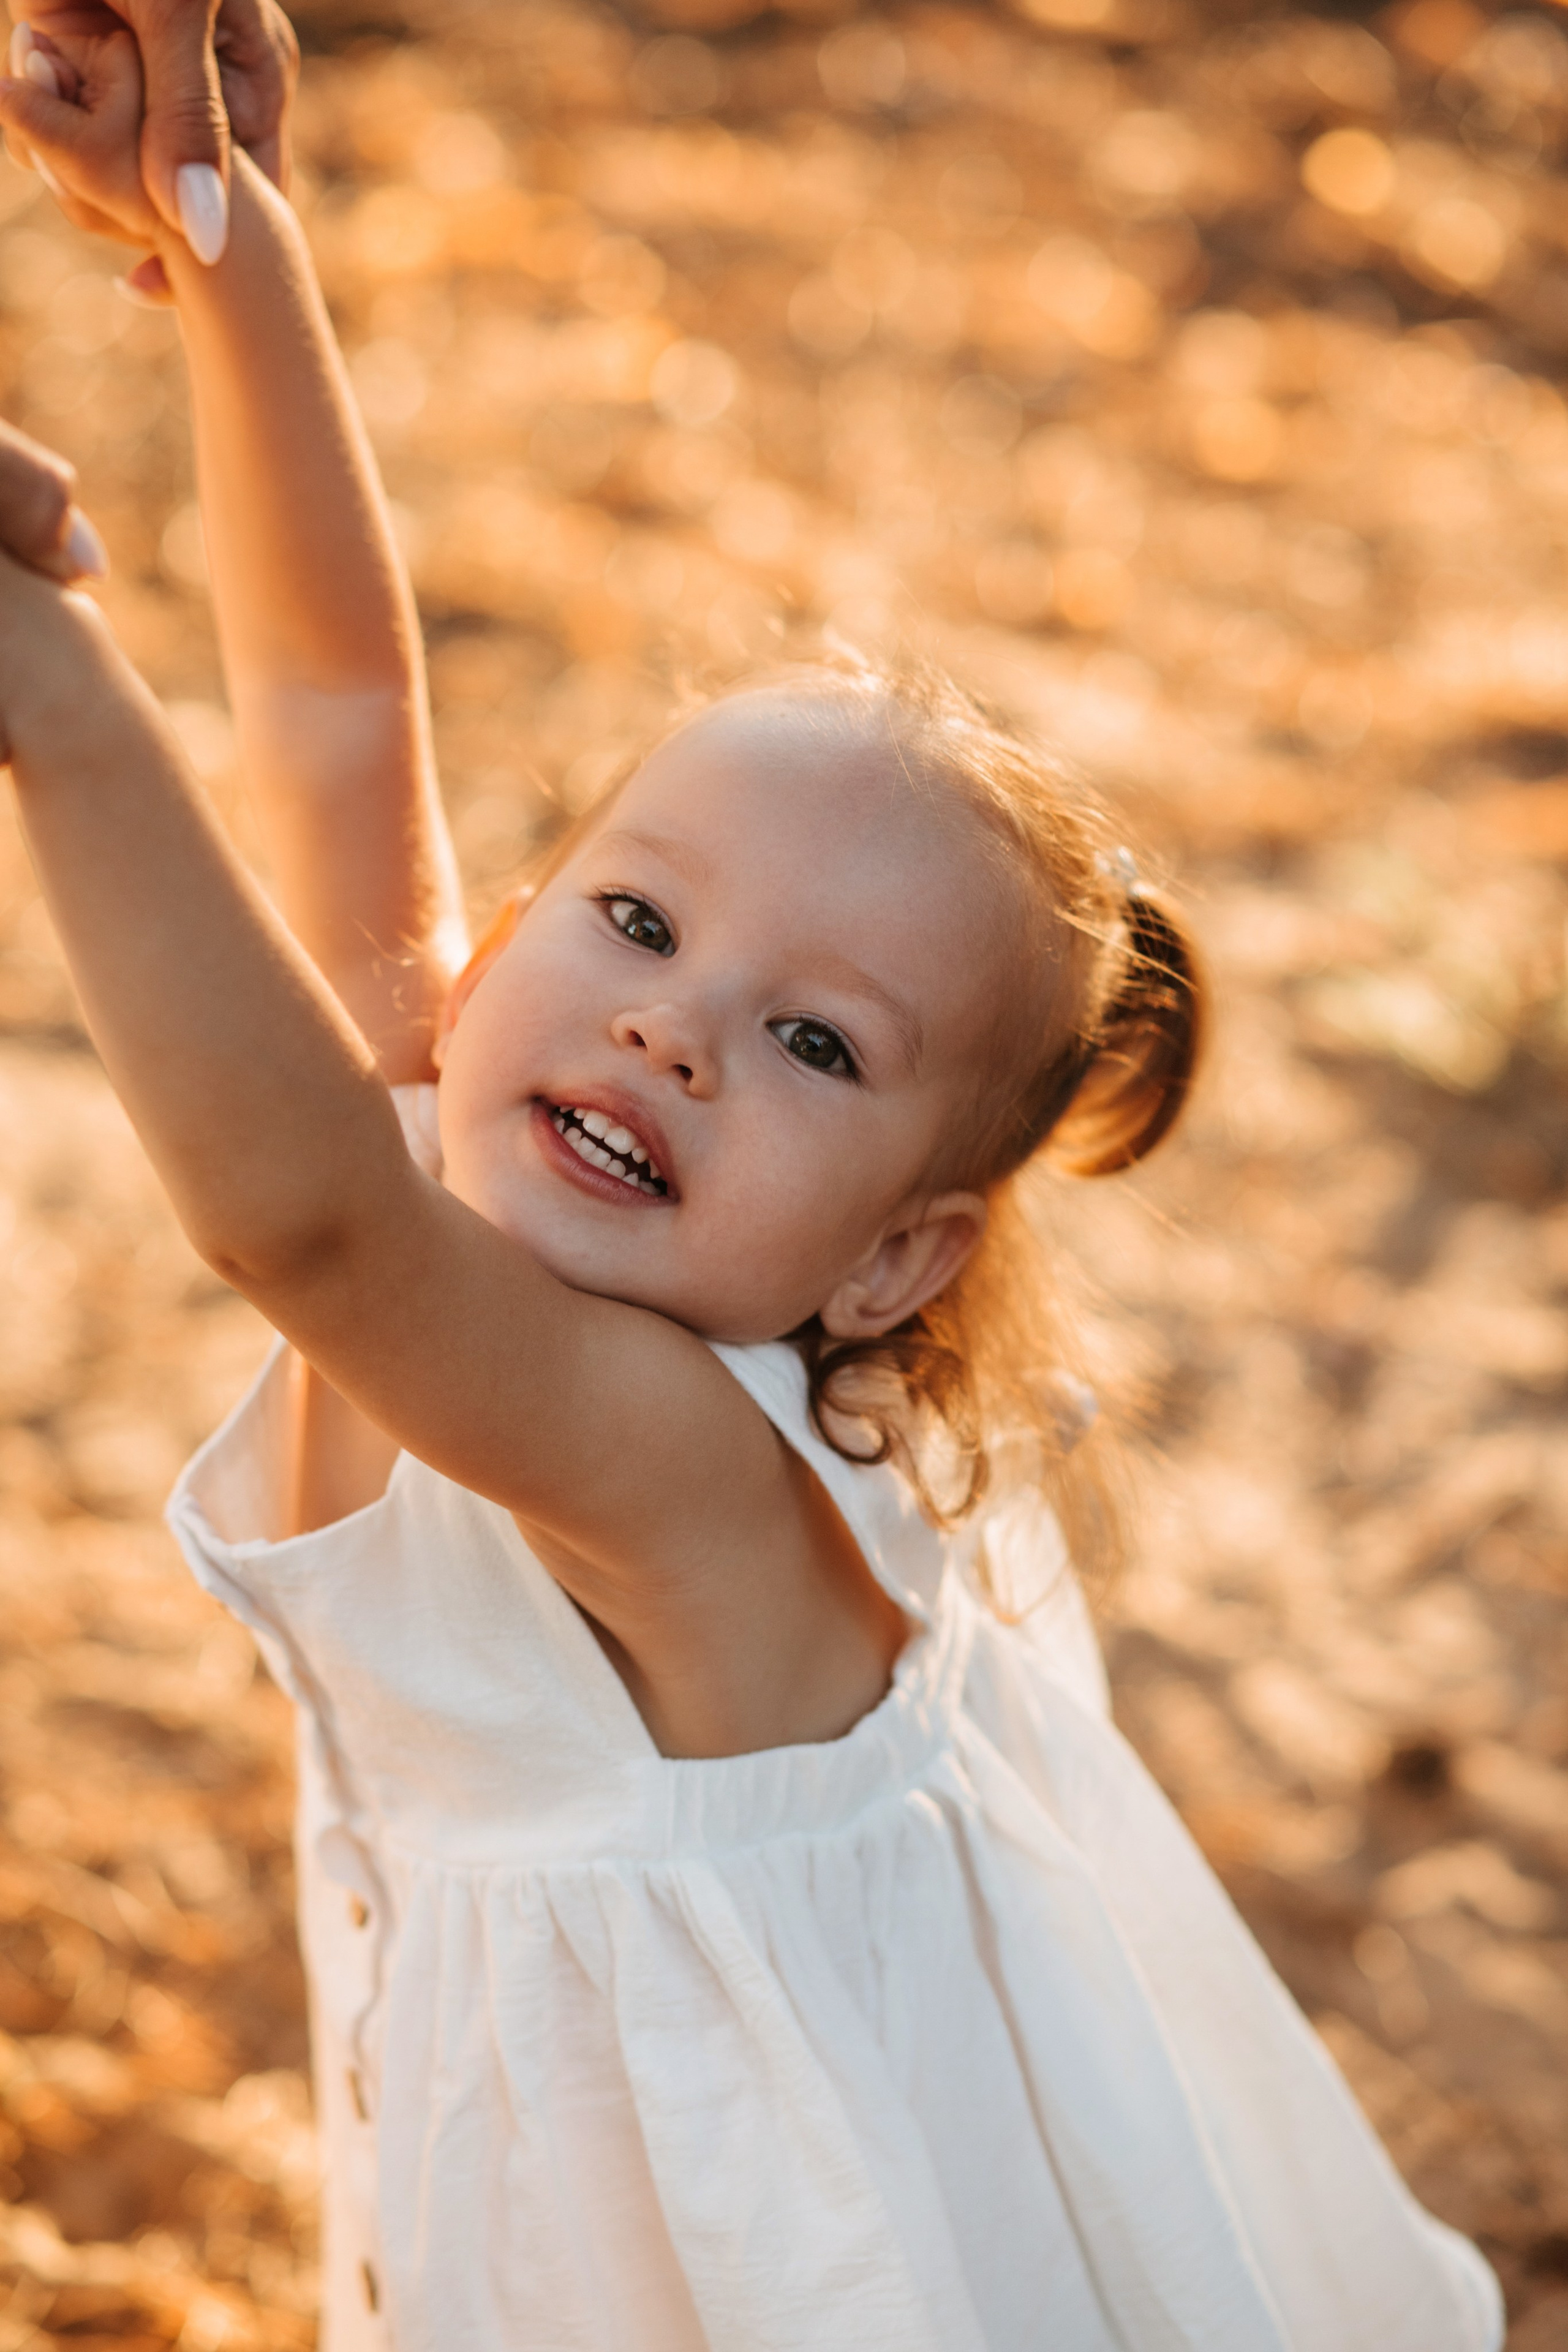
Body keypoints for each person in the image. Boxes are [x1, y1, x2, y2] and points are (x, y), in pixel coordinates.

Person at [0, 27, 1505, 2352]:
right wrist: (228, 254)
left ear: (904, 1253)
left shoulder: (682, 1472)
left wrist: (55, 689)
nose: (671, 1026)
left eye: (816, 1045)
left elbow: (291, 1226)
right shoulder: (476, 1121)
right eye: (634, 919)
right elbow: (331, 713)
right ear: (504, 930)